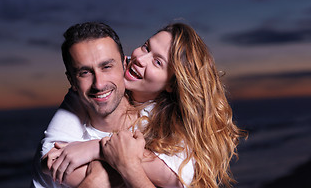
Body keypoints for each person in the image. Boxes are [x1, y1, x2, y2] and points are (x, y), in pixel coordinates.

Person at [39, 22, 245, 188]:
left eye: (157, 62)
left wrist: (100, 151)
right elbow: (50, 160)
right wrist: (116, 163)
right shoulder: (100, 82)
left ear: (172, 84)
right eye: (146, 47)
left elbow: (172, 179)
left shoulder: (174, 123)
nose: (140, 59)